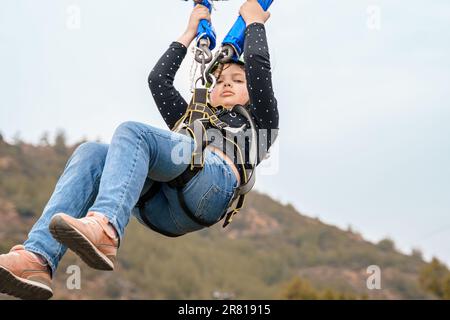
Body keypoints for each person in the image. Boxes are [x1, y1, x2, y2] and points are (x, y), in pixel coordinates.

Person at [0, 0, 279, 300]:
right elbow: (157, 80)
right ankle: (37, 259)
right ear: (208, 90)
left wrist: (254, 23)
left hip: (211, 186)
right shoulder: (191, 119)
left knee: (133, 132)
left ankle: (105, 227)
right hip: (158, 203)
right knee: (91, 153)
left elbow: (259, 66)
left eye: (238, 81)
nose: (227, 84)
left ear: (252, 93)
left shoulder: (260, 120)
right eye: (220, 80)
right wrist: (188, 33)